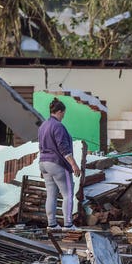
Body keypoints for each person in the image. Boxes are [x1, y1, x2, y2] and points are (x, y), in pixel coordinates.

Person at [38, 98, 81, 231]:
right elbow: (63, 148)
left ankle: (52, 224)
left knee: (51, 194)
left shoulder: (43, 125)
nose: (63, 116)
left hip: (44, 162)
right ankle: (68, 224)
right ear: (59, 111)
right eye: (63, 113)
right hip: (57, 163)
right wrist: (74, 165)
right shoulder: (58, 126)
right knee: (68, 193)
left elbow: (40, 145)